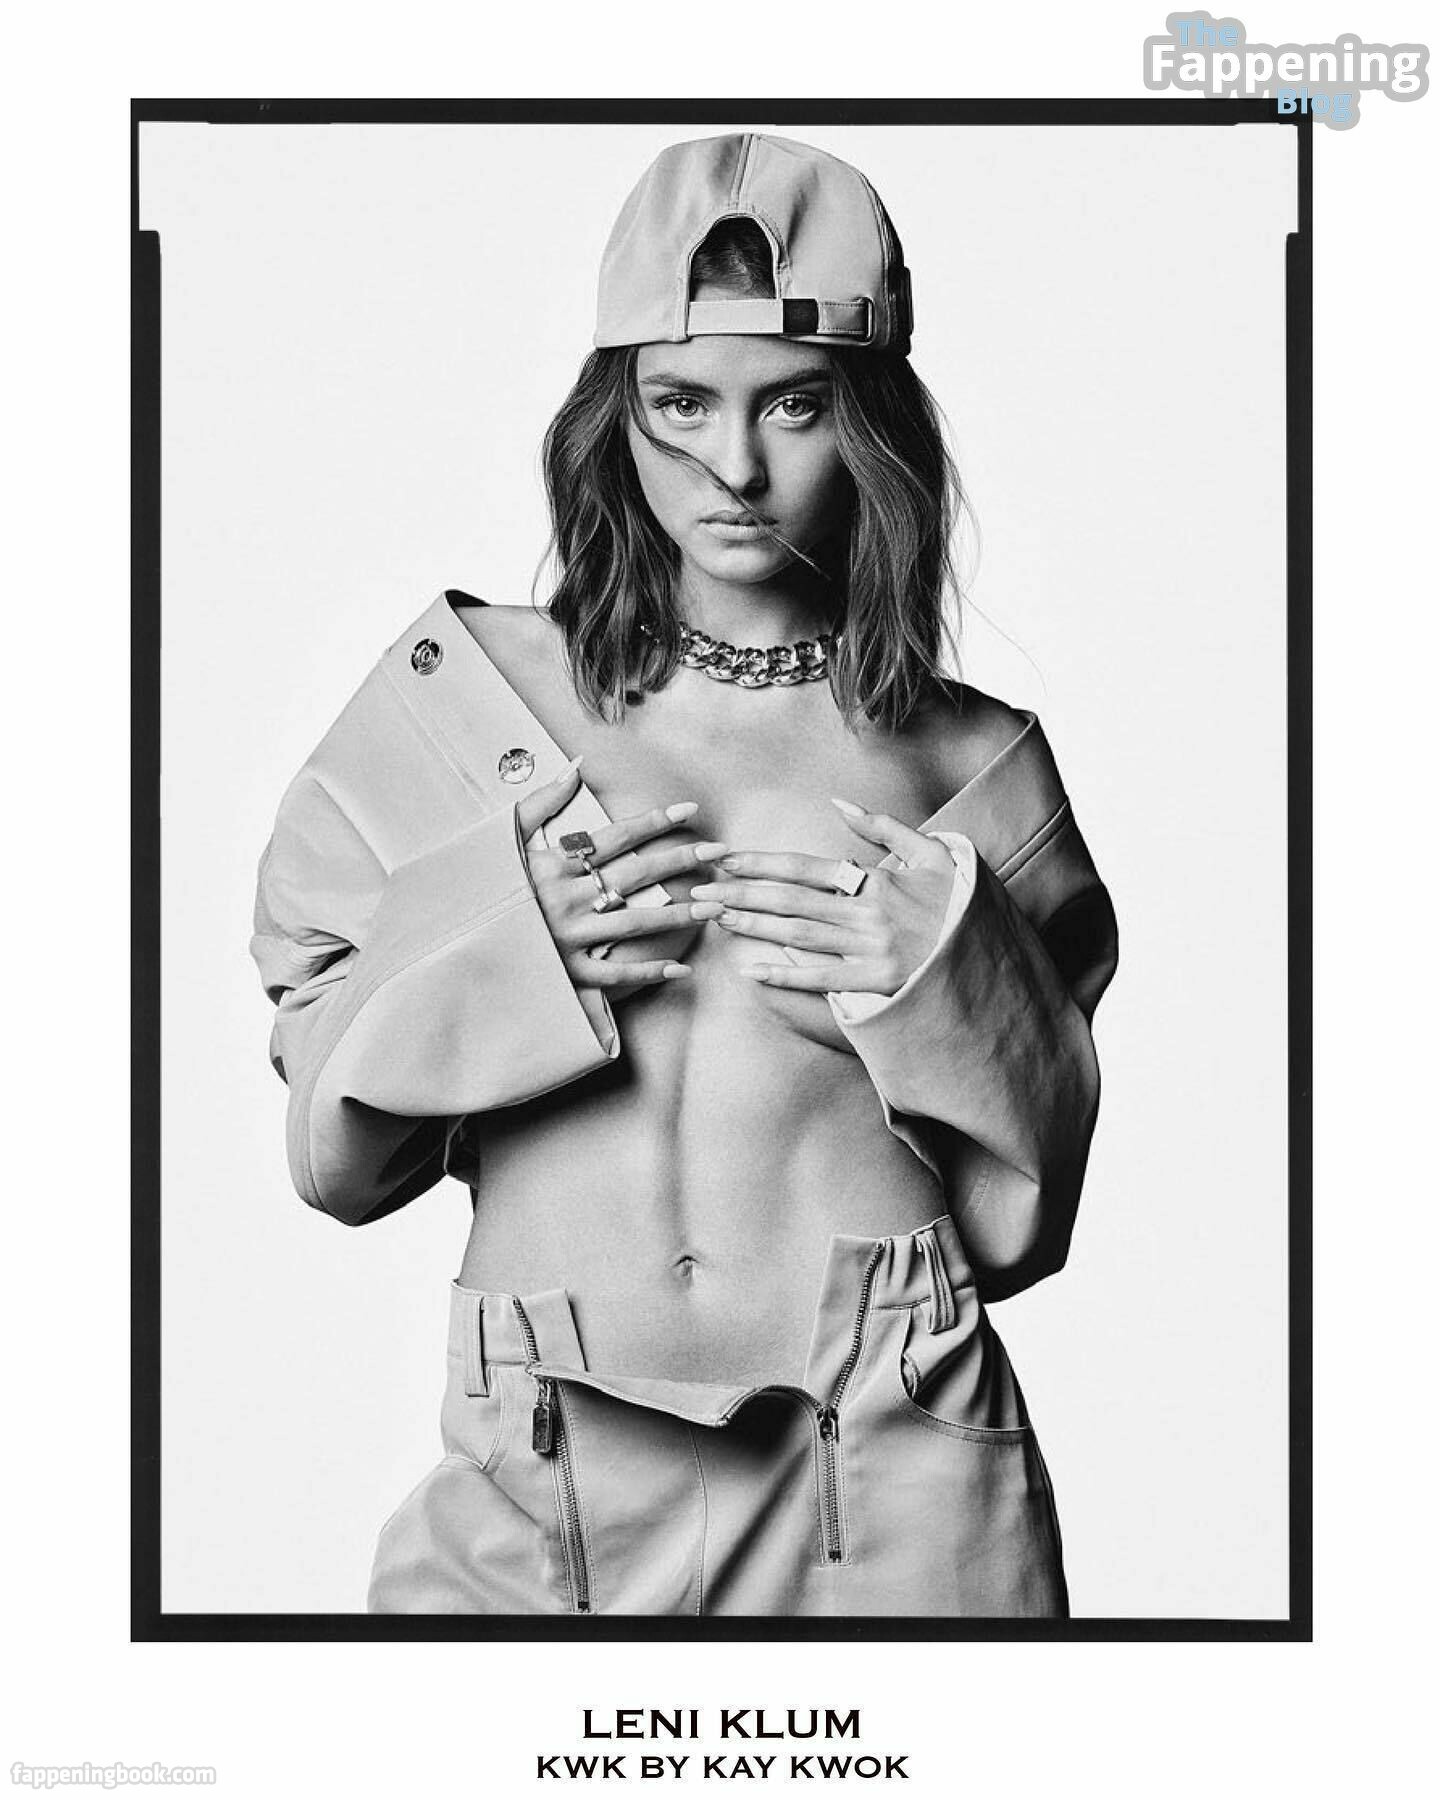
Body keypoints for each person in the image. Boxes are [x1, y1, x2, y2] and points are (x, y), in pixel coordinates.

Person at [249, 131, 1119, 1618]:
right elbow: (334, 1154)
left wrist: (952, 978)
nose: (736, 467)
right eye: (681, 404)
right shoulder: (470, 704)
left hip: (894, 1443)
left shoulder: (973, 765)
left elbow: (1021, 1224)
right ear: (617, 415)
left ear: (871, 425)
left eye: (795, 404)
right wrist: (500, 943)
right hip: (538, 1446)